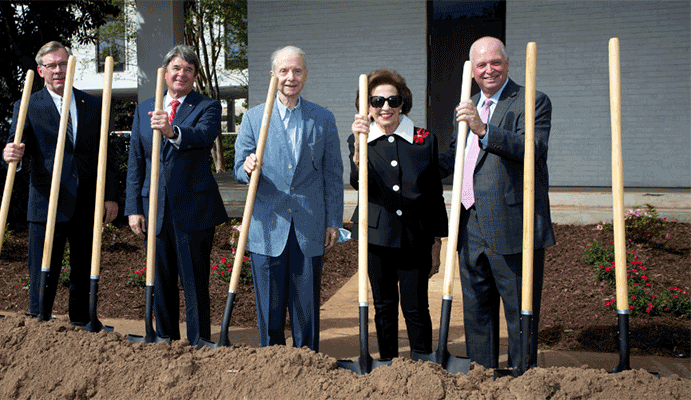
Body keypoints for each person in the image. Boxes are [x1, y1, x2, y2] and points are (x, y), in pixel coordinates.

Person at [438, 36, 555, 370]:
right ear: (472, 70)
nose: (489, 70)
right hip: (469, 222)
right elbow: (454, 157)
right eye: (481, 65)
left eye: (495, 62)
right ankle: (483, 373)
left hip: (512, 224)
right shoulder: (468, 103)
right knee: (477, 309)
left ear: (507, 62)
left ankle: (522, 377)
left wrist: (483, 128)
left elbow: (533, 150)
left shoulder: (532, 100)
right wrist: (407, 155)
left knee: (520, 309)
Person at [234, 46, 343, 352]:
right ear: (273, 76)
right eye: (283, 71)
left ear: (305, 75)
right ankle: (272, 364)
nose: (290, 77)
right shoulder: (254, 118)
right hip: (267, 227)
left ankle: (307, 364)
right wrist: (246, 166)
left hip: (308, 225)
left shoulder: (322, 118)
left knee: (306, 308)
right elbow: (238, 167)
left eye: (297, 71)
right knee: (269, 310)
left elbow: (333, 174)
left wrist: (333, 220)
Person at [2, 41, 120, 324]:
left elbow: (107, 154)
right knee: (43, 269)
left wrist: (111, 195)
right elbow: (15, 146)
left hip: (86, 200)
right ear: (41, 70)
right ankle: (39, 318)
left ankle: (81, 319)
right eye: (52, 65)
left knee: (83, 266)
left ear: (72, 66)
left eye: (63, 64)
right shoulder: (28, 105)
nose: (58, 70)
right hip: (47, 202)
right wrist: (10, 154)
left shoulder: (93, 105)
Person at [124, 44, 227, 347]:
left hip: (193, 208)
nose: (181, 74)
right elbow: (135, 160)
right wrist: (134, 207)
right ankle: (166, 338)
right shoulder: (145, 108)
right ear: (166, 72)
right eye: (176, 68)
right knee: (161, 279)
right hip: (154, 206)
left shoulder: (207, 106)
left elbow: (203, 136)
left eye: (188, 69)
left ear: (194, 76)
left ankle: (199, 341)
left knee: (195, 281)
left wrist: (171, 131)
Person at [347, 69, 448, 360]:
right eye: (377, 101)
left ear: (403, 103)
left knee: (416, 306)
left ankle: (422, 362)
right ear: (367, 107)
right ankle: (388, 363)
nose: (385, 107)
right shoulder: (360, 141)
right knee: (384, 306)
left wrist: (436, 241)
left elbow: (432, 194)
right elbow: (359, 183)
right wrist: (358, 147)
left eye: (393, 100)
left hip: (416, 236)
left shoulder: (424, 139)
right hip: (378, 237)